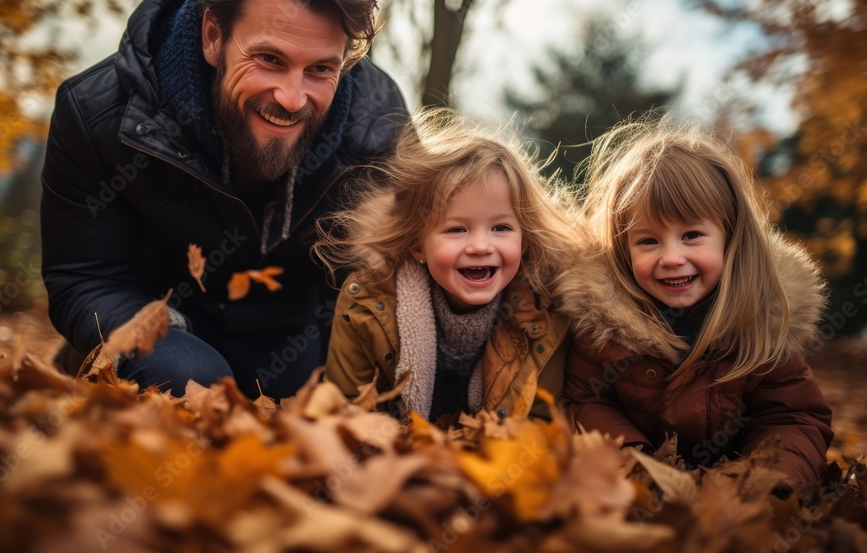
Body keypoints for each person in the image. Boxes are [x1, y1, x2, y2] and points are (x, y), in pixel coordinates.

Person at [40, 0, 408, 398]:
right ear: (213, 35)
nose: (292, 98)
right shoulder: (100, 115)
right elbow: (85, 278)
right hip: (153, 318)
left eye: (320, 69)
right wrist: (159, 348)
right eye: (270, 59)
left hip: (289, 337)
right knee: (189, 376)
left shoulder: (378, 124)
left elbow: (391, 277)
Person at [558, 115, 833, 488]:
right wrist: (634, 466)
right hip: (635, 486)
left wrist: (769, 482)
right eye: (648, 241)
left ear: (730, 238)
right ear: (622, 251)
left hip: (732, 488)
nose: (671, 257)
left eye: (691, 235)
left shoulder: (763, 321)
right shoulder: (603, 327)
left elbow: (792, 417)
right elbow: (585, 403)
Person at [314, 109, 575, 424]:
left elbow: (539, 421)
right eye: (456, 229)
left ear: (525, 238)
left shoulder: (544, 313)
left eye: (501, 228)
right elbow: (347, 415)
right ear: (417, 245)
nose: (481, 246)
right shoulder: (366, 303)